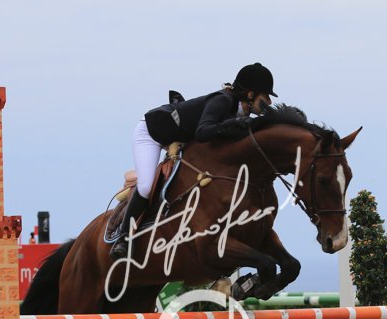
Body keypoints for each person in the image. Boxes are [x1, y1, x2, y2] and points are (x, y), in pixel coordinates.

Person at [109, 63, 278, 260]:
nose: (269, 102)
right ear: (250, 94)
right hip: (151, 133)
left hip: (178, 135)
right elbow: (203, 132)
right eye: (265, 96)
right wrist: (236, 123)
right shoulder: (222, 100)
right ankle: (123, 237)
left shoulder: (241, 111)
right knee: (146, 186)